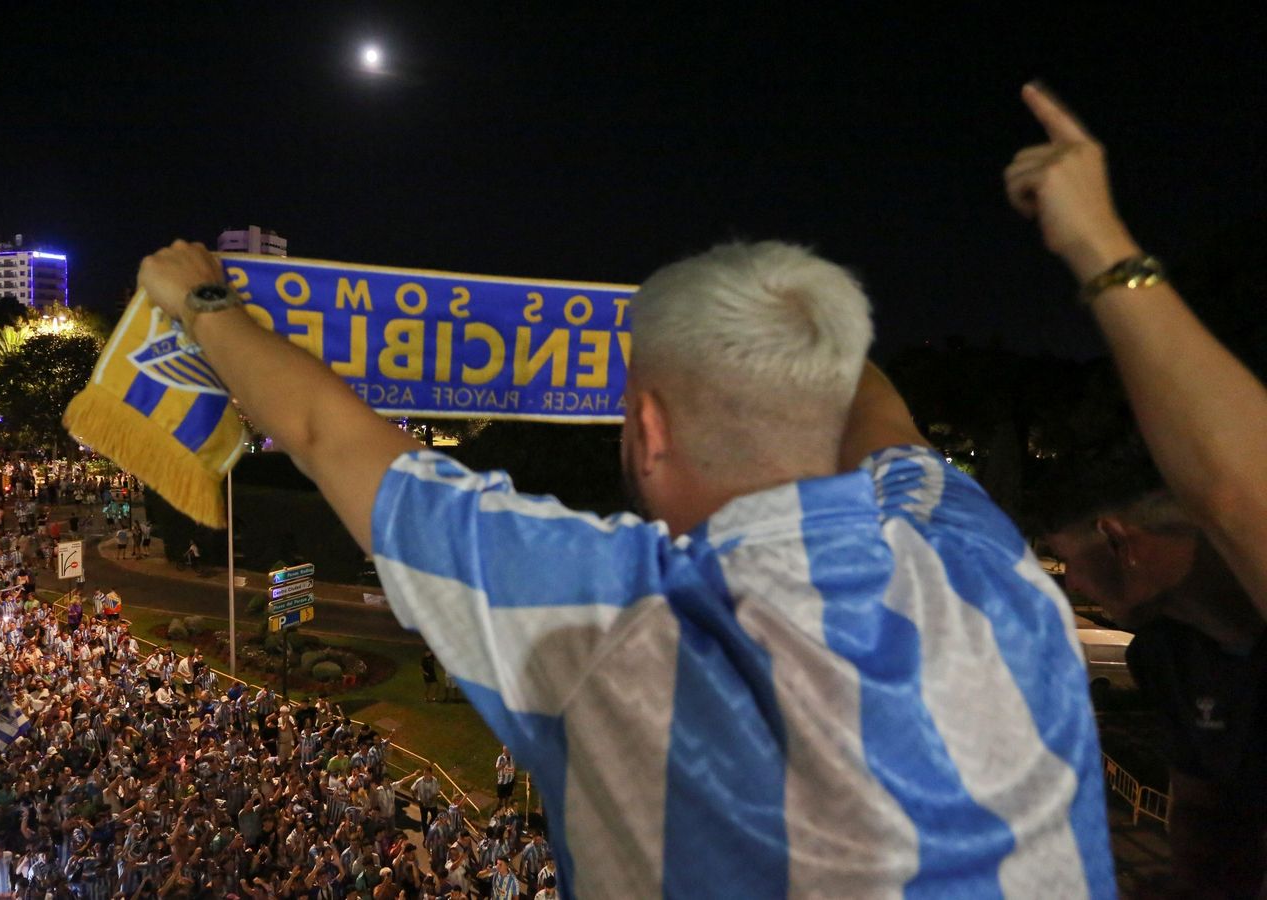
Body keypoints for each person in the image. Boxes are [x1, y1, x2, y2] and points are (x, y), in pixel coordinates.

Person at [138, 226, 1114, 895]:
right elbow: (877, 408)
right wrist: (767, 321)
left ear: (644, 428)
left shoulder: (616, 613)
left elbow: (318, 430)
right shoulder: (979, 546)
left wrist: (201, 297)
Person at [1011, 84, 1267, 896]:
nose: (1067, 590)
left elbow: (1236, 490)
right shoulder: (1170, 656)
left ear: (1119, 535)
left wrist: (1097, 241)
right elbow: (1207, 819)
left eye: (1065, 563)